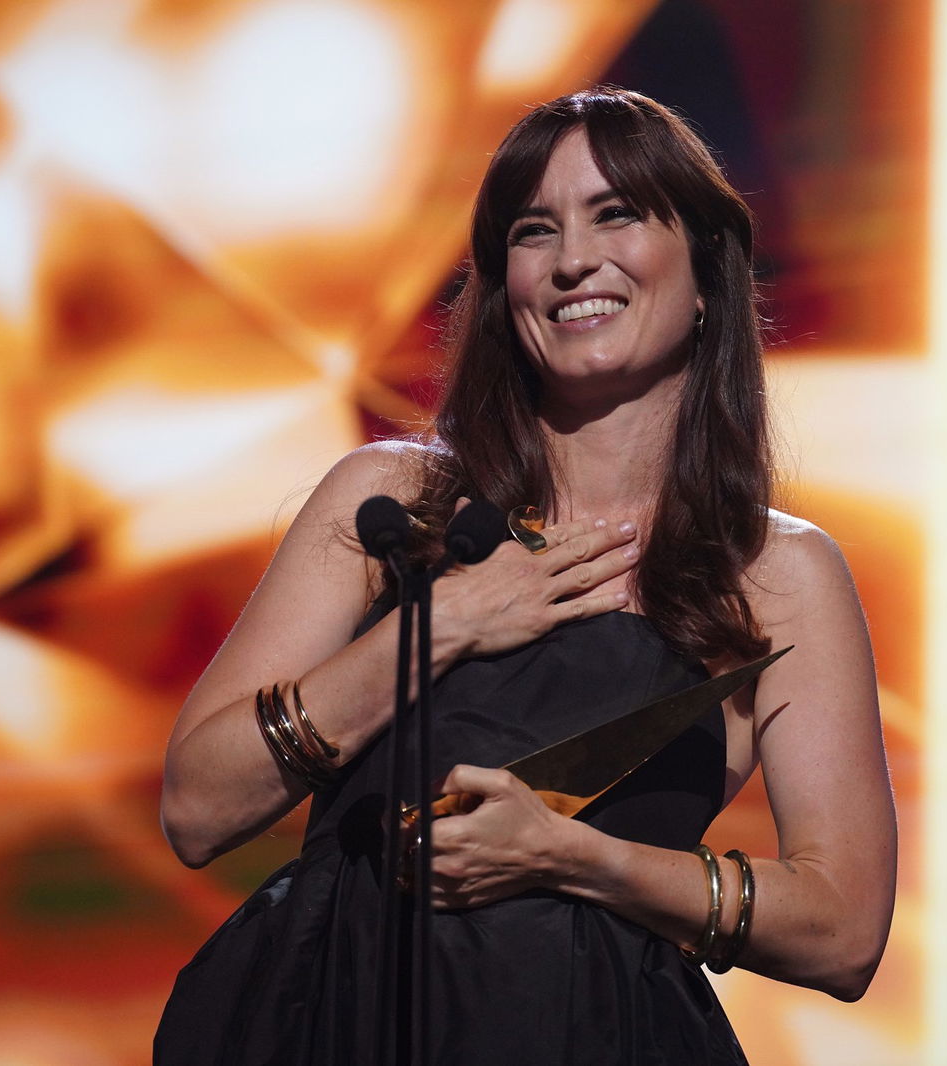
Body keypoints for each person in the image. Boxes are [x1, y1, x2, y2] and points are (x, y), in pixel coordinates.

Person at [154, 87, 895, 1065]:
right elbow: (197, 808)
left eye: (616, 212)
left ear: (707, 267)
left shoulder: (774, 571)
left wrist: (576, 858)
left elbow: (842, 931)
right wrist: (445, 624)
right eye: (533, 230)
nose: (572, 259)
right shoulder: (389, 504)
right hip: (340, 1021)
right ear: (506, 285)